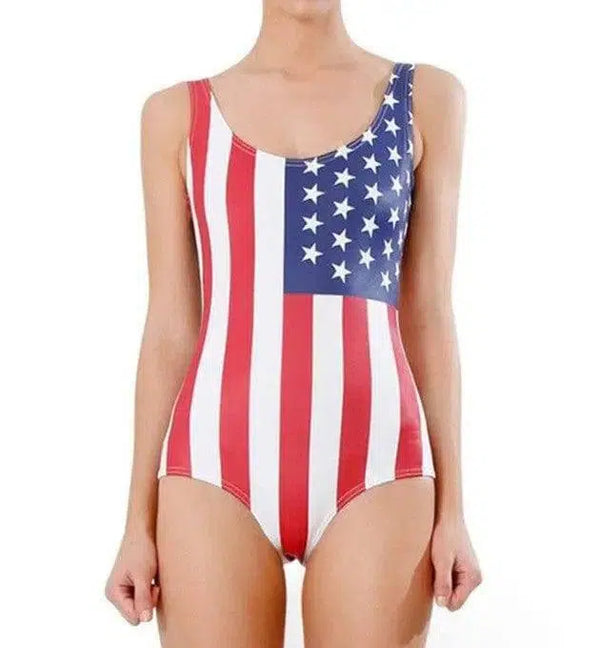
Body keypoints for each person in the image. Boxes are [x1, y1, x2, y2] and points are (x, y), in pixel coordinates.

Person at [105, 0, 482, 645]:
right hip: (212, 465)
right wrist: (135, 524)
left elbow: (428, 313)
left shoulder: (426, 99)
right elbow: (170, 324)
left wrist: (455, 511)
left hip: (377, 463)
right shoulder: (176, 115)